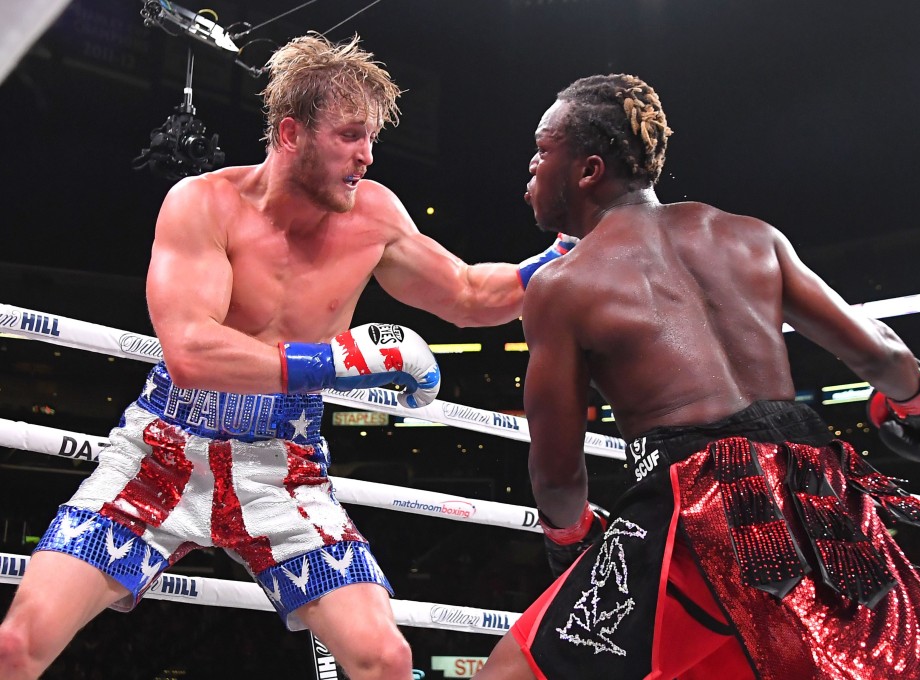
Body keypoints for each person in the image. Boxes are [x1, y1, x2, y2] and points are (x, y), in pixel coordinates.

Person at [0, 35, 576, 680]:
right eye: (351, 135)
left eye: (371, 138)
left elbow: (471, 295)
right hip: (163, 453)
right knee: (18, 646)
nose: (367, 155)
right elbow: (189, 348)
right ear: (291, 133)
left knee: (384, 658)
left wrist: (565, 254)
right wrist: (339, 359)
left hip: (282, 468)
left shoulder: (375, 215)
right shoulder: (204, 203)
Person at [474, 74, 920, 679]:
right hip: (819, 506)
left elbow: (556, 473)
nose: (530, 164)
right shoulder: (750, 236)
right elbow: (880, 353)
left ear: (588, 170)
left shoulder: (561, 286)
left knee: (510, 674)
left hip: (699, 512)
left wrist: (571, 541)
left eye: (543, 148)